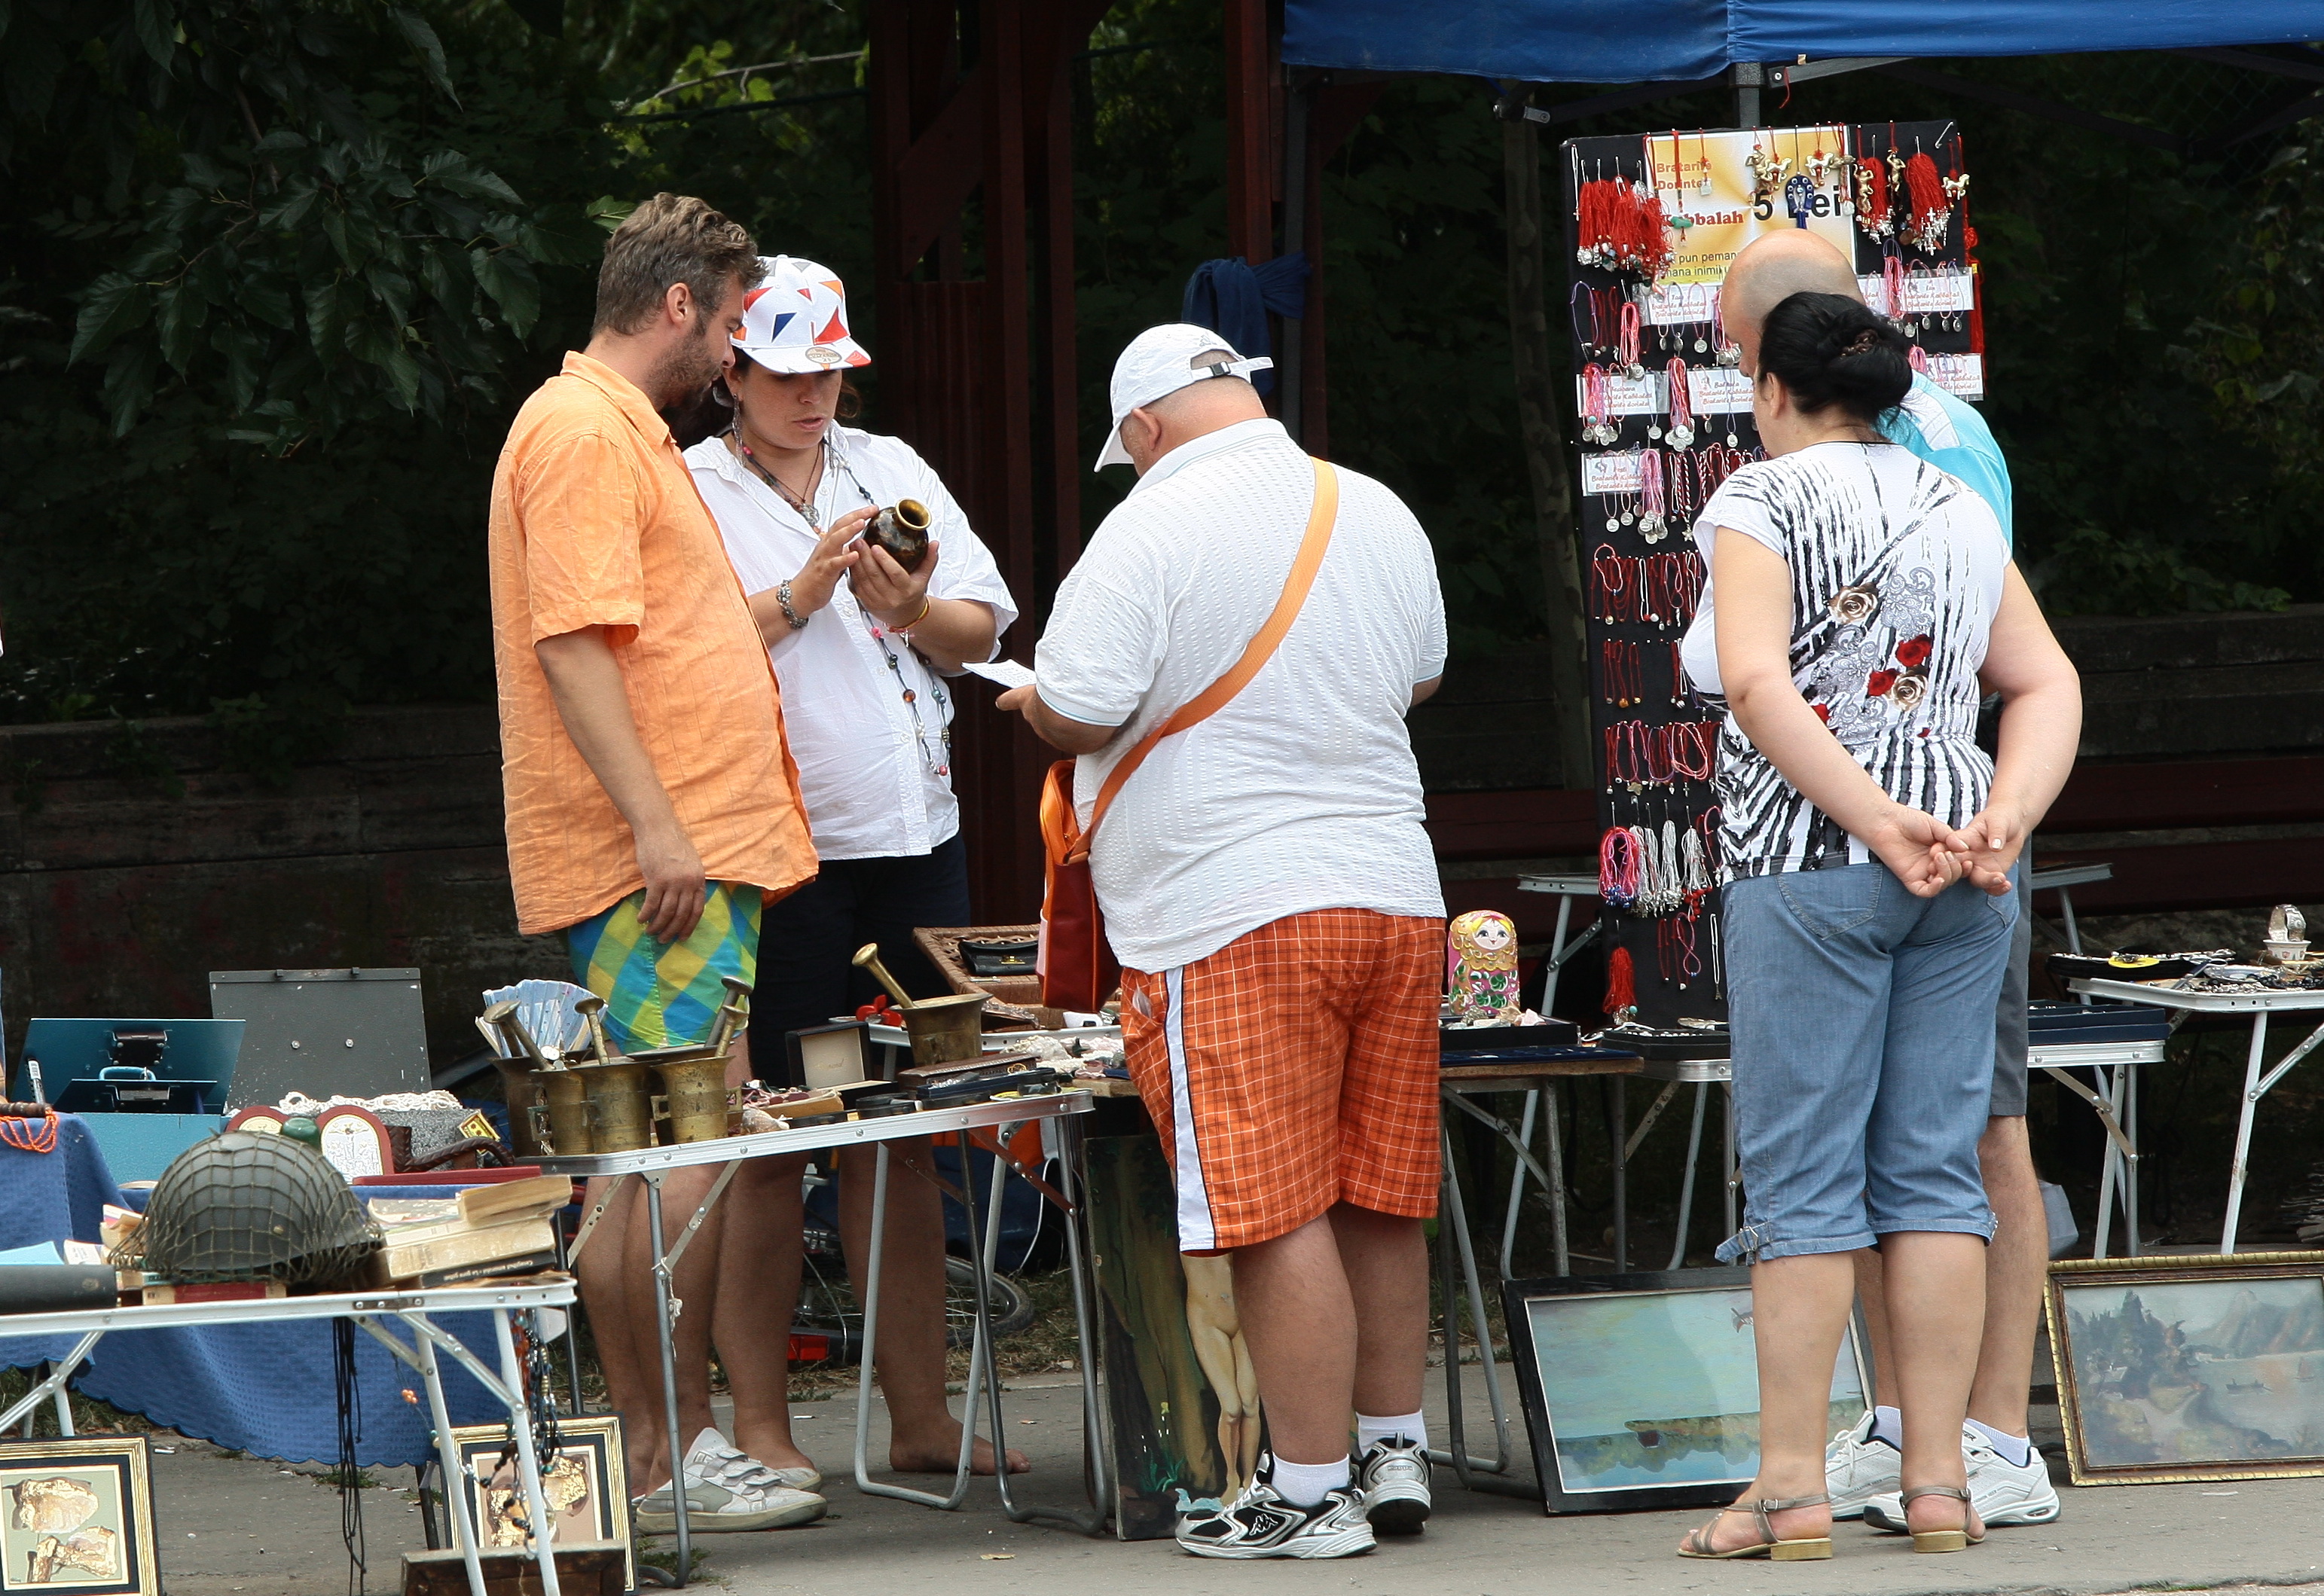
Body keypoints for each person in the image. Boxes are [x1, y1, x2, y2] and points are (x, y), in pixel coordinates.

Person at [997, 324, 1449, 1560]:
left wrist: (1031, 700)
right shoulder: (1375, 505)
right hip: (1394, 891)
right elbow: (1417, 678)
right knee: (1380, 1194)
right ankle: (1388, 1448)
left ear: (1140, 430)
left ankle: (1305, 1494)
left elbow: (1080, 704)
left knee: (1270, 1206)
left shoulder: (1144, 525)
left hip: (1231, 904)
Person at [1673, 290, 2079, 1560]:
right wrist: (1999, 814)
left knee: (1802, 1182)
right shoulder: (1955, 502)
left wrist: (1867, 815)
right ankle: (1942, 1481)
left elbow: (1752, 680)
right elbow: (2045, 678)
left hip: (1810, 860)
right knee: (1934, 1176)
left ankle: (1791, 1488)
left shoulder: (1759, 500)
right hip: (1966, 863)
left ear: (1770, 389)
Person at [487, 193, 826, 1533]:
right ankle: (663, 1453)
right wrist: (659, 825)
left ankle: (668, 1449)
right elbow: (574, 644)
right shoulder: (579, 429)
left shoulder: (614, 429)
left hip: (678, 854)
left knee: (677, 1146)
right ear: (680, 305)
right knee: (660, 1155)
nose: (736, 355)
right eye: (734, 322)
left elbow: (652, 639)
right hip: (657, 863)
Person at [682, 255, 1028, 1480]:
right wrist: (803, 591)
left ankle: (923, 1419)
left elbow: (981, 630)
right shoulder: (689, 488)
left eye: (830, 366)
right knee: (774, 1139)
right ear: (730, 369)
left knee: (909, 1130)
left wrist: (901, 603)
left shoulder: (889, 466)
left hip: (915, 836)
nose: (814, 391)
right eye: (787, 369)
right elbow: (677, 664)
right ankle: (764, 1430)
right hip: (782, 849)